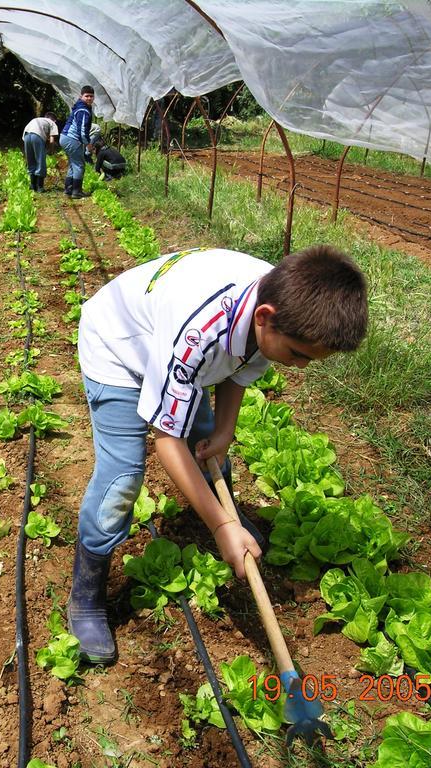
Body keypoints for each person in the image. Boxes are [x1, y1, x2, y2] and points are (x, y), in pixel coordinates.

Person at [68, 245, 368, 664]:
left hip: (173, 349)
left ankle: (211, 517)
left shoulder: (285, 300)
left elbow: (241, 361)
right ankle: (87, 592)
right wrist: (223, 524)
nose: (300, 367)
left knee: (208, 439)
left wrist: (225, 430)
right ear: (264, 317)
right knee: (123, 476)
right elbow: (166, 441)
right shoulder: (200, 329)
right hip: (118, 349)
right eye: (298, 355)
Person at [60, 85, 95, 199]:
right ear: (81, 96)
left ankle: (69, 189)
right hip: (72, 139)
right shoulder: (83, 110)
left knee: (73, 164)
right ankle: (76, 191)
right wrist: (88, 144)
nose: (89, 98)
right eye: (87, 96)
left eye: (91, 96)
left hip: (65, 137)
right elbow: (82, 130)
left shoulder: (80, 107)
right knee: (79, 165)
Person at [22, 112, 58, 192]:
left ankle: (32, 185)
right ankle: (40, 187)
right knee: (40, 160)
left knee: (31, 160)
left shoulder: (38, 119)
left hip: (27, 136)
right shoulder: (52, 123)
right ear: (54, 120)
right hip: (37, 136)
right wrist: (51, 151)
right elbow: (51, 140)